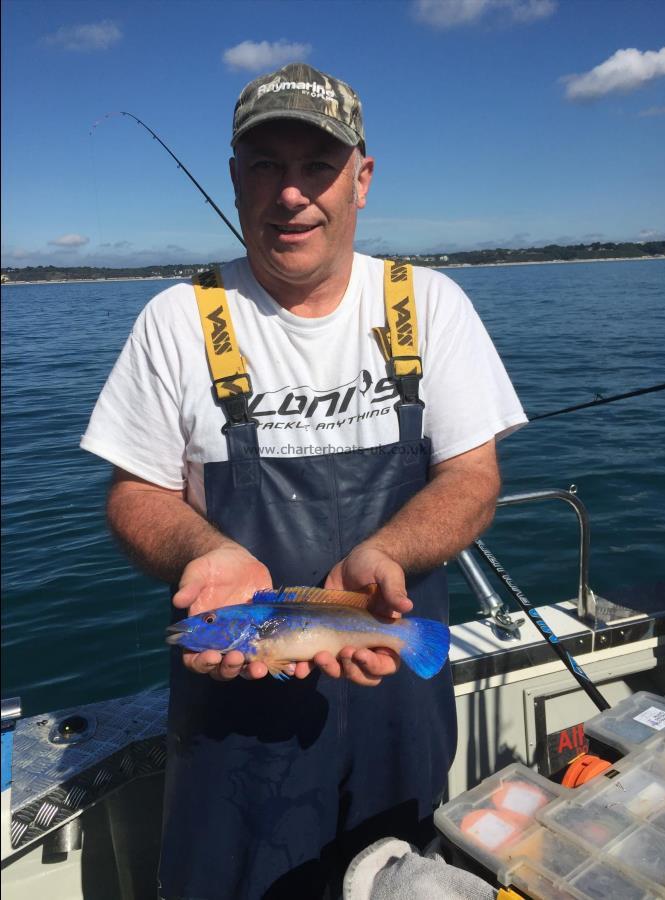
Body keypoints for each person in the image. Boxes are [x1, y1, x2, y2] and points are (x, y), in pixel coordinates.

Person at [81, 63, 527, 899]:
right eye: (265, 165)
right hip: (232, 721)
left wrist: (386, 551)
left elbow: (471, 475)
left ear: (359, 180)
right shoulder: (179, 319)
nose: (291, 194)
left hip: (394, 682)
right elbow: (134, 493)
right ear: (234, 180)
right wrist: (203, 552)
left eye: (315, 166)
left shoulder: (428, 305)